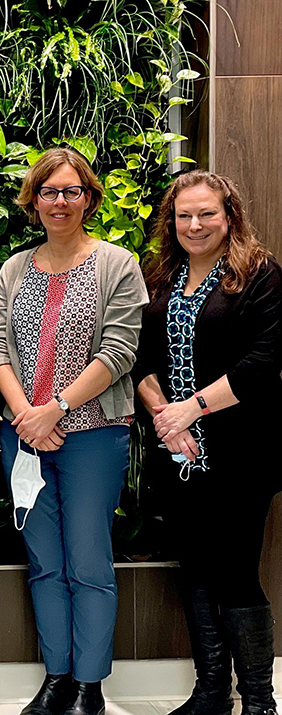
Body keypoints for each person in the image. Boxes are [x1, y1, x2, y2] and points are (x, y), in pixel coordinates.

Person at [0, 147, 148, 715]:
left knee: (87, 561)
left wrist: (52, 409)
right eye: (49, 192)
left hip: (92, 435)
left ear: (89, 198)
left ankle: (89, 687)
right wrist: (27, 416)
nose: (60, 202)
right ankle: (57, 678)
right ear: (33, 200)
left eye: (71, 191)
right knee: (45, 563)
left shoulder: (117, 264)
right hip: (23, 436)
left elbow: (120, 351)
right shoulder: (14, 268)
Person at [133, 171, 281, 715]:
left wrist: (190, 410)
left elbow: (264, 363)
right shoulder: (160, 277)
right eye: (183, 215)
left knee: (236, 569)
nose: (194, 225)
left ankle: (260, 702)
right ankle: (212, 693)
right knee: (192, 567)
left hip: (243, 451)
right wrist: (165, 418)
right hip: (178, 455)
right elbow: (142, 361)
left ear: (229, 216)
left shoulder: (259, 274)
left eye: (206, 214)